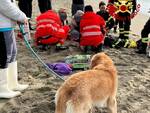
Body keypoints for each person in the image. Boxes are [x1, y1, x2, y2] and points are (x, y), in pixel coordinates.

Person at [0, 0, 28, 98]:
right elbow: (6, 6)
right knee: (4, 56)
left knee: (12, 53)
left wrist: (20, 16)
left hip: (7, 25)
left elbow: (11, 4)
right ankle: (2, 88)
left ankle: (12, 83)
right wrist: (22, 16)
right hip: (2, 27)